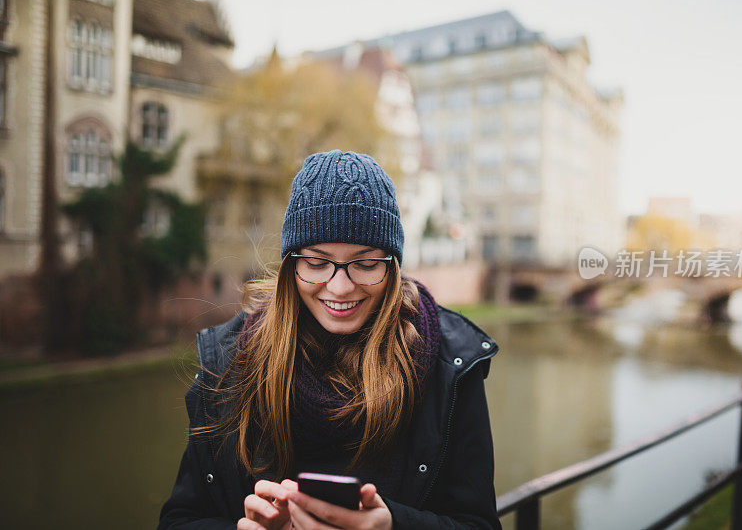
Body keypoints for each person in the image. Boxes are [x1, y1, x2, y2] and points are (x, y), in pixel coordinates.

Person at [158, 150, 501, 530]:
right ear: (292, 263)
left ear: (393, 267)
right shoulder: (228, 363)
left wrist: (394, 526)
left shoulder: (450, 366)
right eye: (318, 262)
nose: (339, 287)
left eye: (366, 264)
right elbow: (178, 521)